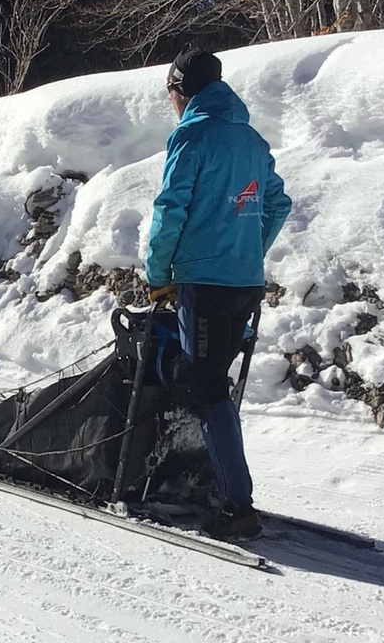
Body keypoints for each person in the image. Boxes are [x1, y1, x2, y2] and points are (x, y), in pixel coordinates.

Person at [145, 47, 292, 540]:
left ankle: (237, 505)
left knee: (207, 390)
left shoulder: (192, 135)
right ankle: (208, 478)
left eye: (170, 93)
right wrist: (248, 249)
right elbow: (277, 203)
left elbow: (171, 208)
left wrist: (157, 271)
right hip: (244, 282)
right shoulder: (251, 139)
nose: (171, 102)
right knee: (210, 383)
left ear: (180, 90)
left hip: (202, 283)